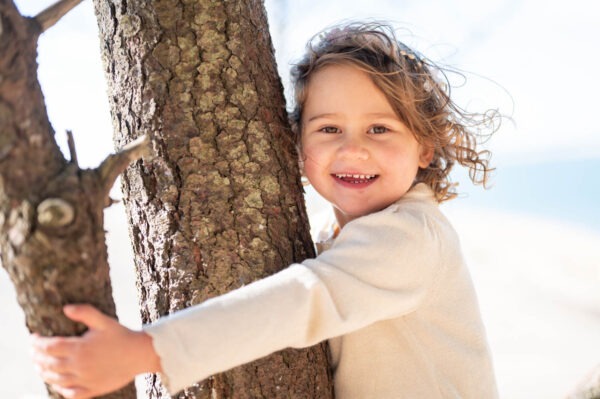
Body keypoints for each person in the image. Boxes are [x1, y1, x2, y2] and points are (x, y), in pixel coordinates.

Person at [32, 22, 500, 398]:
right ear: (296, 144)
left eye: (379, 129)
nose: (353, 150)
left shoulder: (410, 237)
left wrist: (146, 350)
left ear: (425, 147)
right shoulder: (333, 234)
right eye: (329, 129)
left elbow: (304, 299)